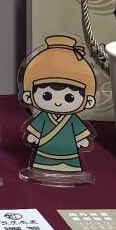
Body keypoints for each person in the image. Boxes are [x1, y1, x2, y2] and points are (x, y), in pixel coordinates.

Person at [20, 35, 98, 174]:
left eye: (69, 97)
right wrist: (34, 136)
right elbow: (35, 129)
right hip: (44, 151)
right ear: (28, 96)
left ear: (88, 99)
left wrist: (81, 140)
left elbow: (80, 133)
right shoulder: (43, 117)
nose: (57, 102)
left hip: (69, 153)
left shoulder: (72, 119)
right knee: (43, 163)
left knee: (70, 165)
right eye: (47, 96)